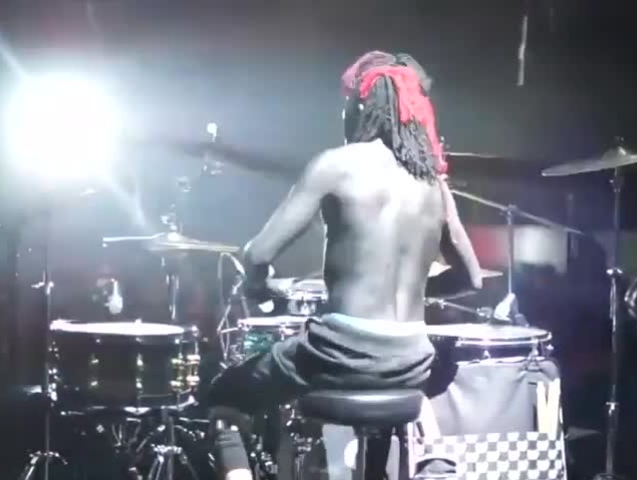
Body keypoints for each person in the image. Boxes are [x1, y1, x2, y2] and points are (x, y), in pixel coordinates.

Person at [207, 51, 483, 480]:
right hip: (412, 358)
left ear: (360, 106)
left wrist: (258, 287)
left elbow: (257, 255)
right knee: (397, 405)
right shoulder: (433, 183)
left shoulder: (335, 166)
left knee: (222, 398)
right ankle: (421, 464)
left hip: (342, 353)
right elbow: (472, 279)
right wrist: (417, 291)